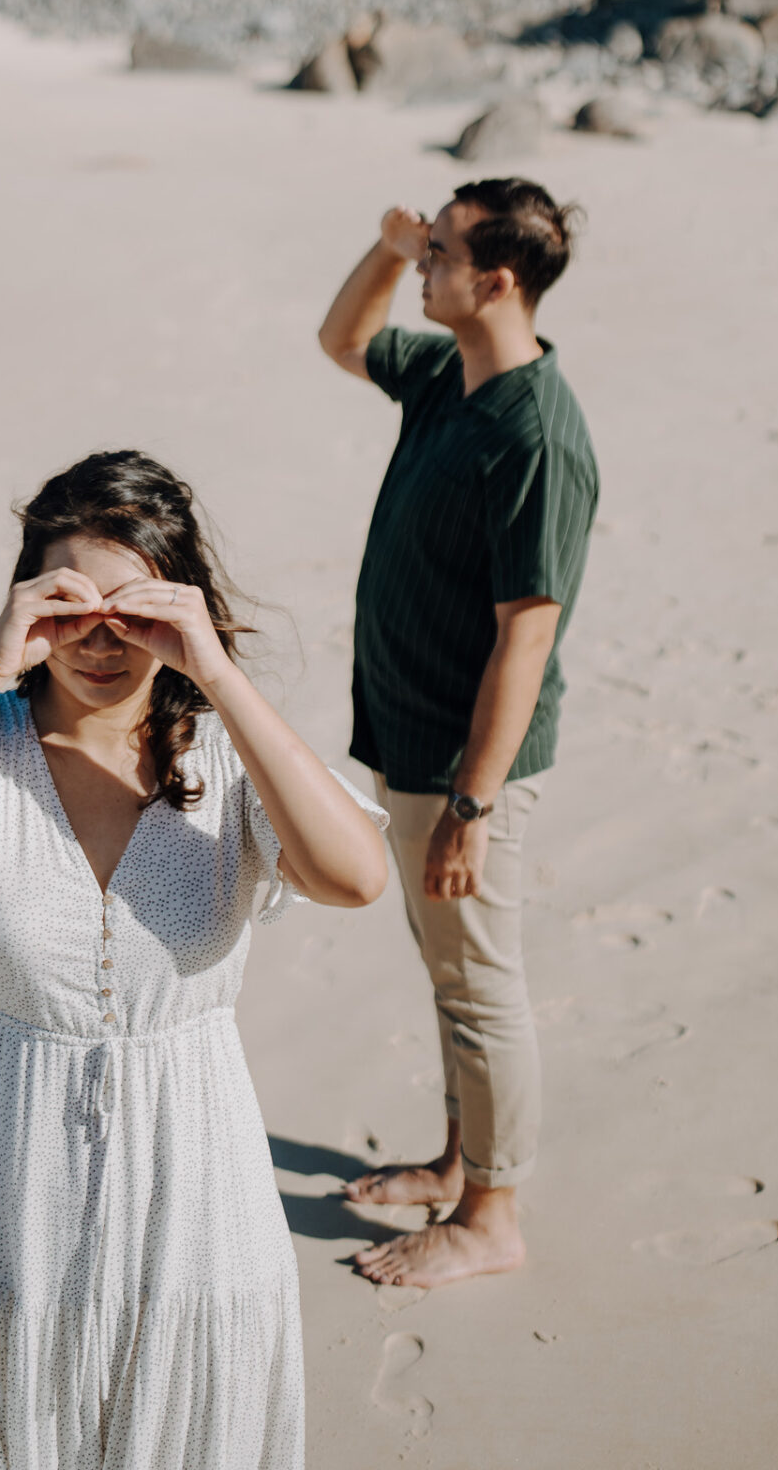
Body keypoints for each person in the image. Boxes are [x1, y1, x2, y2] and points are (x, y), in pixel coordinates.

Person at [0, 450, 389, 1470]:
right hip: (8, 1193)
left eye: (134, 607)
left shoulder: (224, 754)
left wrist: (214, 673)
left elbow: (354, 875)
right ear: (26, 603)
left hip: (197, 1193)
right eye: (69, 605)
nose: (101, 638)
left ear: (183, 605)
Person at [317, 178, 598, 1289]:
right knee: (449, 975)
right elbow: (341, 339)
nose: (422, 262)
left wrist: (474, 806)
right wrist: (385, 252)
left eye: (438, 252)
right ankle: (455, 1162)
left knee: (481, 983)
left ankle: (492, 1216)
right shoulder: (446, 375)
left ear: (495, 279)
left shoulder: (536, 436)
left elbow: (525, 639)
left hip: (465, 764)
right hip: (409, 733)